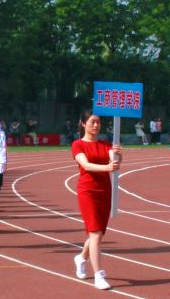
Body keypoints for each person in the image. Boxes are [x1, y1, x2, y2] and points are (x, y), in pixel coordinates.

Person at [70, 111, 123, 291]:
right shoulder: (78, 144)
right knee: (95, 233)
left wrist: (118, 155)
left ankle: (81, 258)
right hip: (87, 191)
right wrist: (107, 167)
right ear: (83, 124)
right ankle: (98, 275)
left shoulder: (105, 144)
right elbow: (85, 165)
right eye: (92, 122)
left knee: (98, 234)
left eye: (98, 122)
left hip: (104, 191)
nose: (95, 125)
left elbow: (115, 163)